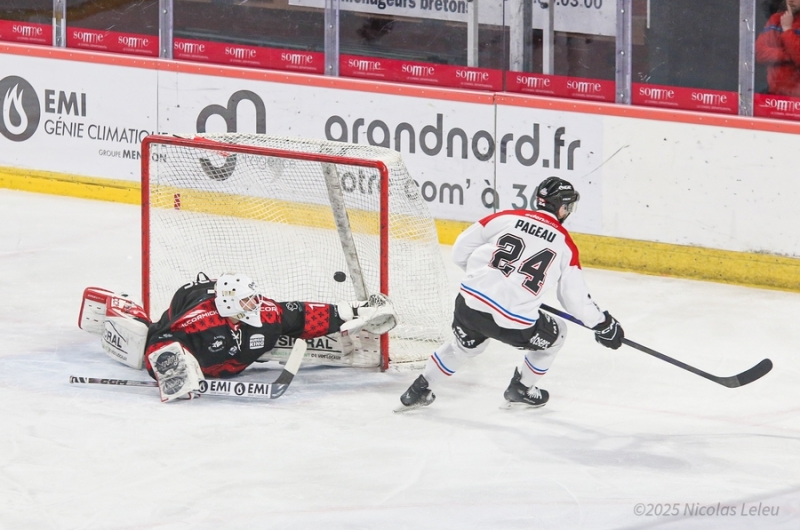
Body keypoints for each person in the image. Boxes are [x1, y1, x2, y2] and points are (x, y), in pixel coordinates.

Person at [399, 177, 624, 410]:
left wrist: (489, 280)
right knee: (557, 335)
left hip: (468, 306)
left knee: (464, 346)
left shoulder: (506, 217)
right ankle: (522, 388)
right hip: (513, 324)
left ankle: (418, 390)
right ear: (562, 207)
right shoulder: (565, 244)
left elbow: (460, 250)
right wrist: (603, 324)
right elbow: (574, 300)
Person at [79, 273, 396, 402]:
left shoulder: (266, 314)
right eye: (246, 301)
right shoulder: (198, 322)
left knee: (285, 319)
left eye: (253, 298)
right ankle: (121, 306)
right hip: (189, 298)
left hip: (217, 321)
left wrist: (358, 311)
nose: (255, 304)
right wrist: (172, 370)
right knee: (142, 343)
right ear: (229, 303)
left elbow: (303, 315)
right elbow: (160, 342)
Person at [756, 0, 800, 97]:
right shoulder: (776, 19)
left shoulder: (785, 23)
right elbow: (759, 53)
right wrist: (787, 54)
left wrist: (787, 29)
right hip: (774, 95)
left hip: (796, 99)